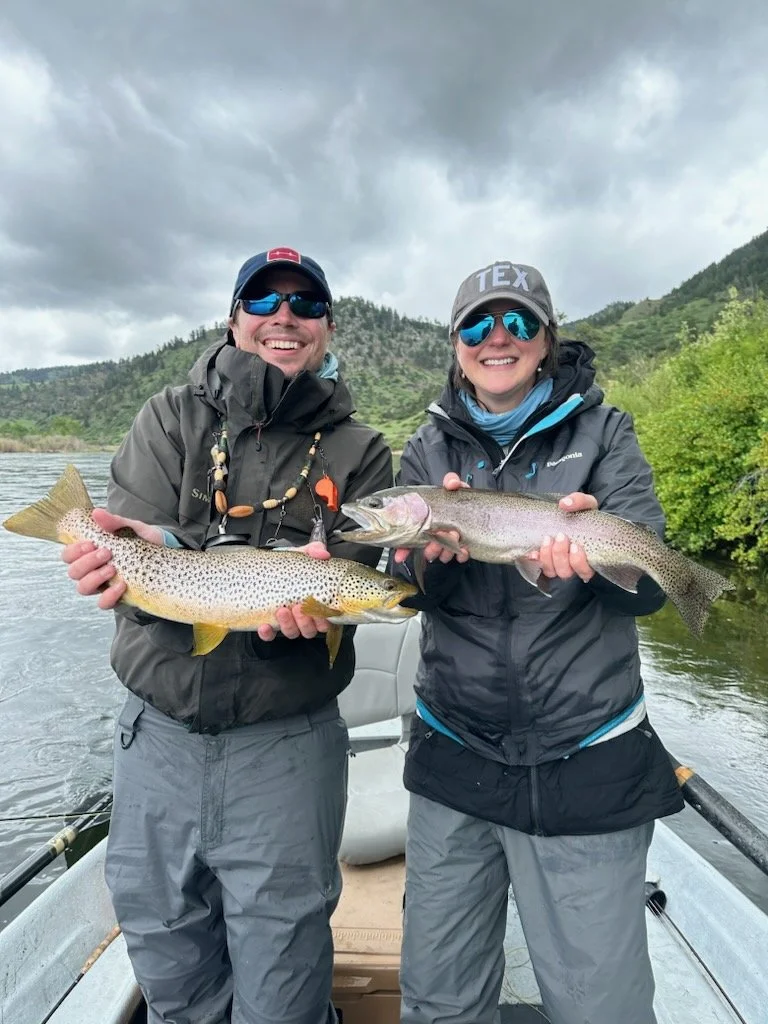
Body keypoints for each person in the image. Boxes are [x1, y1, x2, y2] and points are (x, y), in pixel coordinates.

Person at [61, 247, 393, 1024]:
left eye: (305, 304)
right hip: (158, 737)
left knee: (282, 966)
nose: (285, 316)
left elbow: (350, 568)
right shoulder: (169, 417)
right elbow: (144, 538)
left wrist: (323, 607)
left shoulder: (362, 451)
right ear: (234, 317)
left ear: (327, 327)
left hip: (286, 741)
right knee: (164, 943)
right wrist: (134, 556)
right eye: (265, 300)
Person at [391, 260, 684, 1024]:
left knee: (602, 1009)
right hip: (457, 754)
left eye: (518, 322)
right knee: (438, 999)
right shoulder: (428, 453)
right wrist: (424, 554)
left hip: (589, 757)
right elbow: (402, 583)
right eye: (478, 324)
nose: (498, 338)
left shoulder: (606, 433)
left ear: (546, 340)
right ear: (455, 343)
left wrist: (600, 560)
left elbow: (648, 586)